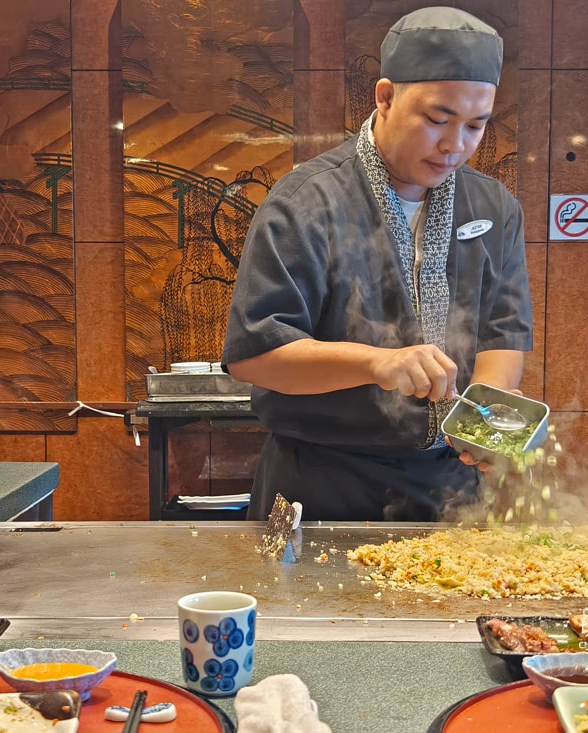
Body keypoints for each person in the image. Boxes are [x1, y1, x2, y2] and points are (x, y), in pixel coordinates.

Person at [221, 7, 533, 522]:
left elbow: (503, 334)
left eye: (476, 126)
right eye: (438, 120)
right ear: (385, 96)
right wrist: (377, 363)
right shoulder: (307, 201)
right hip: (321, 482)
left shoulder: (495, 209)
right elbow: (255, 356)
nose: (456, 145)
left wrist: (489, 432)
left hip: (450, 488)